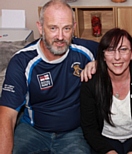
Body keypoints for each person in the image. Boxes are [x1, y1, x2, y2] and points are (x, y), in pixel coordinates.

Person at [0, 0, 98, 153]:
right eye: (53, 28)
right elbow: (7, 116)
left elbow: (124, 53)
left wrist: (100, 63)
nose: (60, 36)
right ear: (40, 27)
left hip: (74, 133)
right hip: (32, 131)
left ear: (74, 28)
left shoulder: (85, 50)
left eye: (66, 28)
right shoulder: (22, 61)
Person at [80, 28, 132, 154]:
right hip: (104, 140)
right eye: (110, 50)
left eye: (123, 49)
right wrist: (108, 151)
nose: (117, 57)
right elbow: (89, 128)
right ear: (103, 55)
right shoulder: (91, 82)